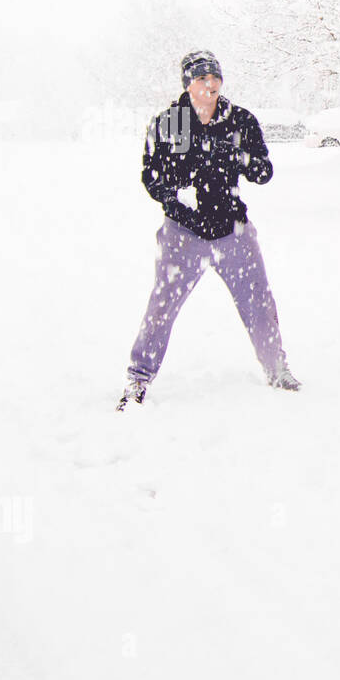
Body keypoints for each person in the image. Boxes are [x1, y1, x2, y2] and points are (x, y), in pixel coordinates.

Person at [117, 50, 299, 410]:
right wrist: (177, 197)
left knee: (259, 304)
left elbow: (263, 171)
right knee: (162, 307)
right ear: (188, 83)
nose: (210, 84)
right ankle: (138, 378)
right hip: (183, 235)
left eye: (215, 77)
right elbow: (151, 178)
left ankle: (278, 370)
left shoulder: (240, 120)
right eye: (201, 79)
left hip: (233, 231)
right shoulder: (168, 122)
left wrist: (236, 157)